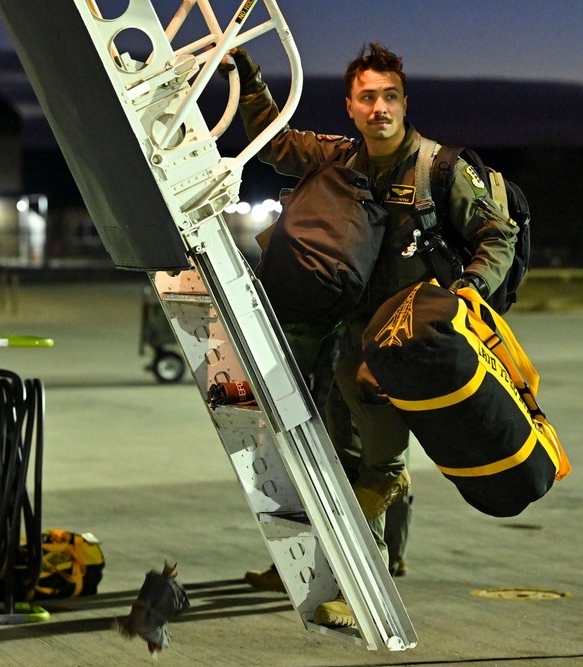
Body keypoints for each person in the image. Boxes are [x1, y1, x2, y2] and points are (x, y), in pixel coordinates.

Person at [226, 43, 517, 627]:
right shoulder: (340, 158)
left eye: (388, 97)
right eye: (367, 98)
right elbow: (277, 140)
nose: (378, 108)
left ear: (404, 103)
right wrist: (248, 78)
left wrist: (463, 298)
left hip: (411, 337)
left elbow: (497, 235)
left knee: (376, 461)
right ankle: (353, 560)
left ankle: (367, 588)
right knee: (343, 448)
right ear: (351, 108)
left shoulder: (441, 169)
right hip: (353, 330)